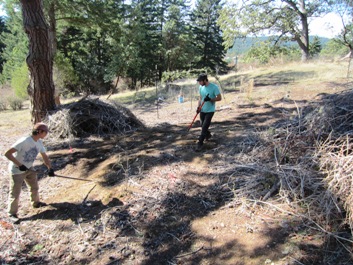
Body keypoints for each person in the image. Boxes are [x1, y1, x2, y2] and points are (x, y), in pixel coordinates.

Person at [4, 122, 55, 220]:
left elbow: (44, 156)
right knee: (15, 193)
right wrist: (19, 165)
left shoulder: (39, 142)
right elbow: (7, 154)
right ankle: (12, 213)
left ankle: (36, 203)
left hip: (29, 168)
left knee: (34, 187)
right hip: (17, 170)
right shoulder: (24, 141)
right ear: (39, 131)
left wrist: (50, 168)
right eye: (45, 132)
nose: (46, 134)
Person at [195, 73, 222, 151]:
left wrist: (210, 99)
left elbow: (219, 98)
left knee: (204, 127)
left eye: (200, 81)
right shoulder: (201, 87)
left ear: (205, 80)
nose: (199, 83)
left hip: (210, 110)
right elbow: (200, 98)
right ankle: (208, 135)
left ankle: (200, 143)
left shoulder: (214, 87)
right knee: (202, 125)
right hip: (202, 109)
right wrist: (198, 107)